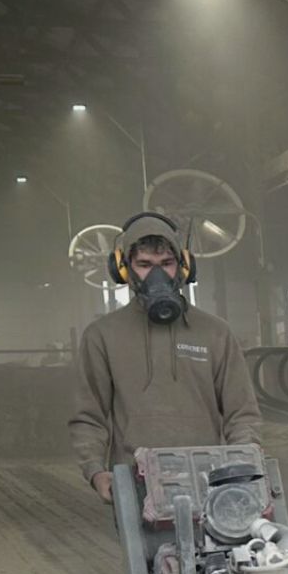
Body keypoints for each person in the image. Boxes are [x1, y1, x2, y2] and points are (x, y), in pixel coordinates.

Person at [69, 211, 262, 499]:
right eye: (144, 264)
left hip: (208, 483)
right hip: (135, 485)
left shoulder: (215, 333)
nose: (157, 274)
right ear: (123, 269)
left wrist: (242, 467)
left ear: (184, 267)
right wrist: (96, 471)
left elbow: (242, 414)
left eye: (167, 264)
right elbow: (88, 416)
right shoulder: (102, 336)